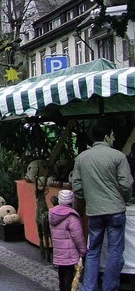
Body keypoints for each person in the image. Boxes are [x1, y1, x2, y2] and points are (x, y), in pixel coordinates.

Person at [72, 121, 133, 291]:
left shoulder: (81, 157)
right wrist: (125, 199)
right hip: (115, 210)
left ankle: (89, 288)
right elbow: (127, 184)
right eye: (113, 135)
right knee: (114, 252)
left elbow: (76, 185)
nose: (114, 139)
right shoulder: (118, 156)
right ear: (107, 136)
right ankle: (109, 288)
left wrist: (88, 198)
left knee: (93, 251)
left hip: (93, 211)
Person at [49, 189, 87, 291]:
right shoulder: (72, 217)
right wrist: (83, 251)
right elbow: (78, 237)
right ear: (72, 201)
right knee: (69, 281)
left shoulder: (53, 215)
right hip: (70, 255)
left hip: (59, 254)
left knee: (62, 280)